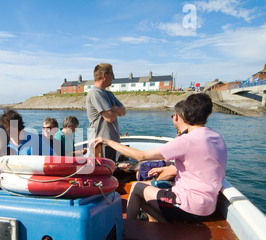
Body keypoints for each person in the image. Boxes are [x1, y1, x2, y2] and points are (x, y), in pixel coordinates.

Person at [94, 94, 227, 223]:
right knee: (145, 195)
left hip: (190, 206)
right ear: (208, 115)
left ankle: (128, 231)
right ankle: (166, 227)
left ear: (183, 115)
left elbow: (141, 156)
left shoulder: (187, 141)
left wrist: (108, 142)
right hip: (209, 206)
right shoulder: (217, 138)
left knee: (136, 187)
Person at [86, 63, 126, 161]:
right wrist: (117, 111)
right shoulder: (96, 93)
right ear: (104, 75)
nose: (113, 77)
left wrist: (114, 109)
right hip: (101, 143)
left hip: (110, 141)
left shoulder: (108, 93)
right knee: (102, 171)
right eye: (112, 74)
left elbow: (124, 111)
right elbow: (109, 117)